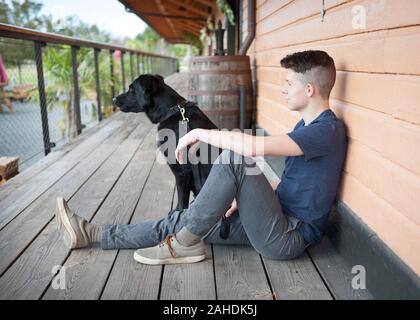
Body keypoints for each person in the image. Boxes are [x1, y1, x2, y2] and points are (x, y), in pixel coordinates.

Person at [55, 50, 347, 265]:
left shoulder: (326, 131)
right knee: (185, 220)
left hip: (287, 237)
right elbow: (294, 185)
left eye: (289, 83)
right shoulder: (305, 127)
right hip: (273, 218)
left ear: (309, 90)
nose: (283, 89)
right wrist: (240, 198)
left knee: (235, 159)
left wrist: (199, 134)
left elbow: (252, 148)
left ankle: (183, 245)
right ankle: (91, 233)